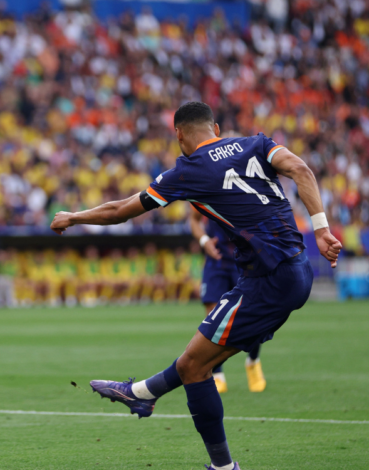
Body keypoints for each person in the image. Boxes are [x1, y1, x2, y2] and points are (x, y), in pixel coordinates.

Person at [50, 102, 341, 470]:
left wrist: (74, 216)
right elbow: (300, 168)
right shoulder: (256, 143)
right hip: (295, 268)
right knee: (195, 363)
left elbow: (120, 211)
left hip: (269, 278)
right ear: (215, 127)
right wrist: (322, 228)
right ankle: (140, 394)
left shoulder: (187, 171)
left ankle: (220, 464)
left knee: (194, 369)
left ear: (179, 134)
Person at [191, 210, 265, 393]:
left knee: (254, 315)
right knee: (212, 314)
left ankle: (253, 361)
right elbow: (193, 220)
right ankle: (217, 374)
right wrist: (204, 241)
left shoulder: (245, 185)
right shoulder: (203, 186)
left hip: (244, 260)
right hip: (216, 260)